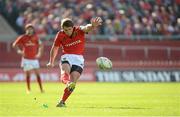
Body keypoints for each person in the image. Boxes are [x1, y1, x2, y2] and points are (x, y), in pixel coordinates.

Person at [47, 17, 102, 107]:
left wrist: (92, 26)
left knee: (73, 82)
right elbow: (55, 48)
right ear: (62, 29)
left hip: (79, 59)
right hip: (66, 56)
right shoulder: (60, 35)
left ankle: (62, 101)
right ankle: (67, 83)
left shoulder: (79, 30)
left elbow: (86, 27)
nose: (68, 32)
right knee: (65, 72)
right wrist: (51, 61)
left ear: (73, 27)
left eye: (69, 29)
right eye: (65, 30)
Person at [12, 23, 44, 93]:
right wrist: (18, 51)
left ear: (33, 30)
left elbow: (41, 45)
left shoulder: (36, 37)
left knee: (38, 74)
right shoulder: (23, 37)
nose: (30, 30)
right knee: (28, 74)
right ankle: (28, 89)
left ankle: (41, 89)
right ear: (26, 30)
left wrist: (39, 53)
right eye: (28, 29)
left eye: (31, 29)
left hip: (34, 59)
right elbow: (14, 44)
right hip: (26, 59)